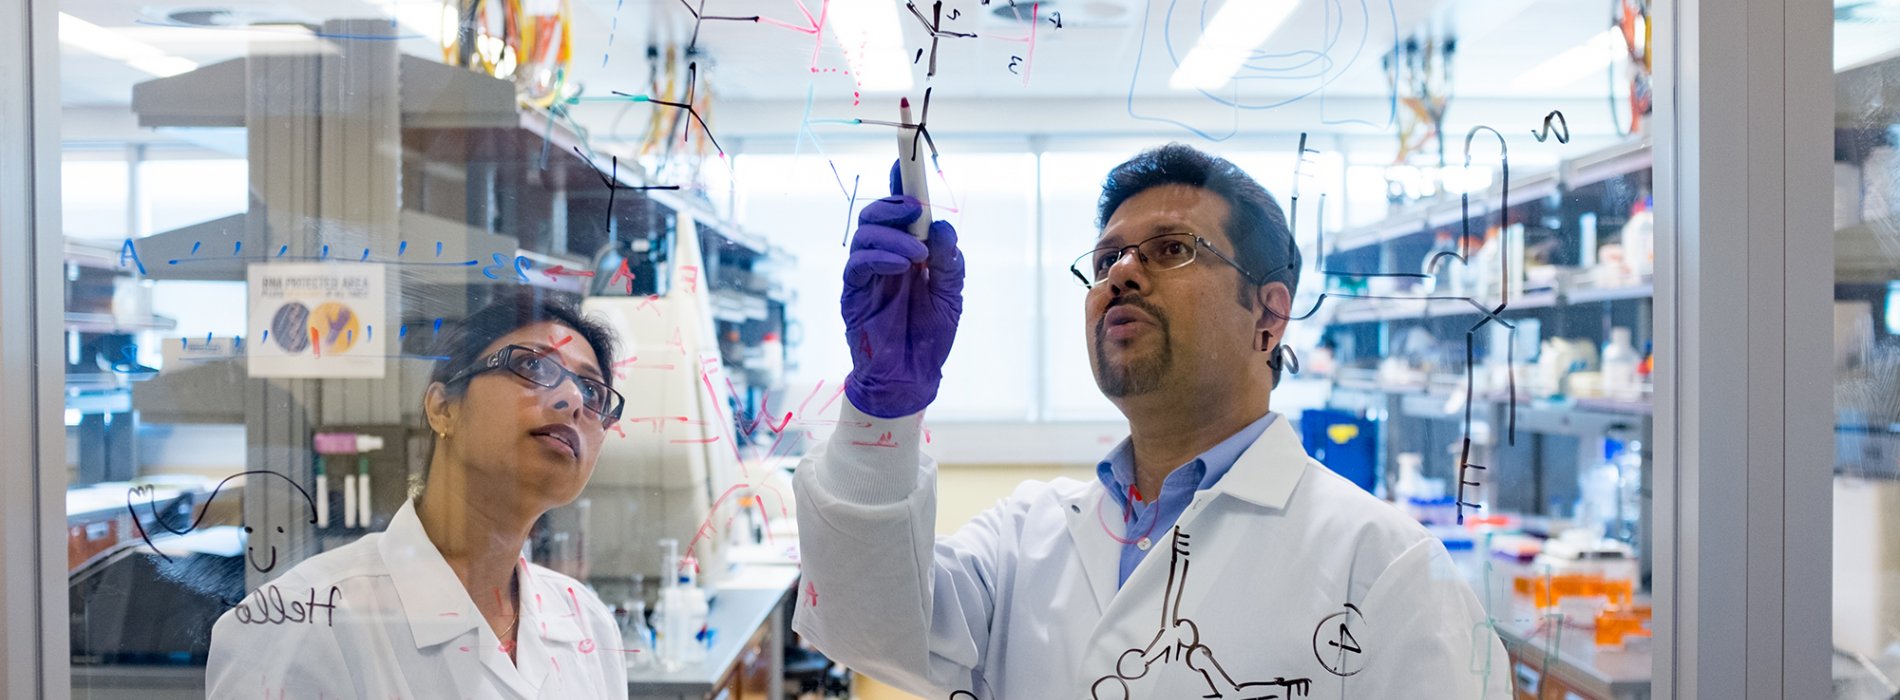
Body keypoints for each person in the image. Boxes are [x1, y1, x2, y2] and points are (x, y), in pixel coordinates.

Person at [792, 144, 1512, 698]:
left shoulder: (1388, 568)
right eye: (1107, 258)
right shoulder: (1026, 536)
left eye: (1172, 249)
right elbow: (867, 625)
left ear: (1268, 316)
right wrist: (882, 406)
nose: (1121, 274)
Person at [206, 291, 631, 699]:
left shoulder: (587, 625)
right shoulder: (299, 624)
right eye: (533, 366)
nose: (573, 398)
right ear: (443, 408)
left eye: (593, 392)